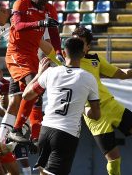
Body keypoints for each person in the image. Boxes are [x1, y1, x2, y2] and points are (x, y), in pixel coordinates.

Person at [73, 26, 132, 175]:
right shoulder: (64, 63)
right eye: (73, 41)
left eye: (80, 43)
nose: (75, 45)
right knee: (114, 160)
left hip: (112, 106)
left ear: (88, 47)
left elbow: (119, 73)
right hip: (94, 115)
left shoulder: (95, 59)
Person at [0, 0, 63, 149]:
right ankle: (18, 129)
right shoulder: (21, 3)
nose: (45, 1)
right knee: (34, 87)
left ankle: (7, 141)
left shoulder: (50, 9)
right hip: (16, 54)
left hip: (32, 56)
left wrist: (58, 51)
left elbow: (53, 32)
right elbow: (18, 25)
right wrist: (40, 23)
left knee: (22, 97)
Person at [22, 37, 100, 175]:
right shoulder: (88, 78)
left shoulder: (51, 72)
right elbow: (96, 115)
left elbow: (26, 95)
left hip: (45, 131)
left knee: (43, 172)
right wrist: (83, 109)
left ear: (63, 53)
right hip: (66, 134)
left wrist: (39, 74)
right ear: (83, 54)